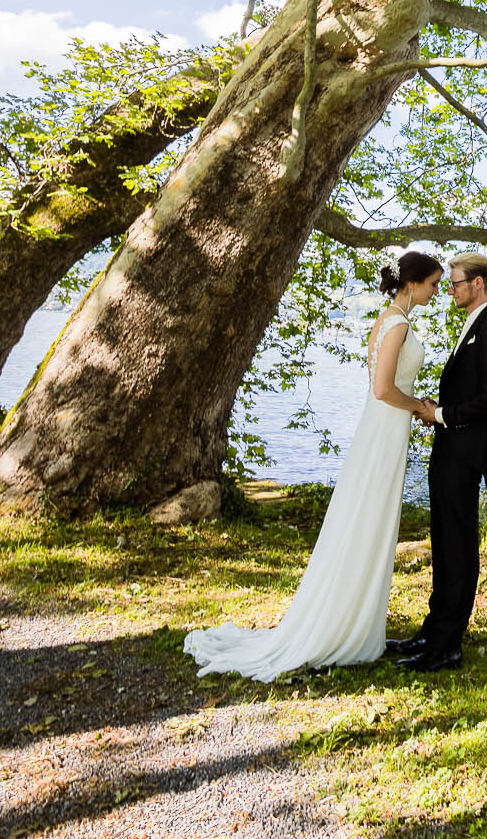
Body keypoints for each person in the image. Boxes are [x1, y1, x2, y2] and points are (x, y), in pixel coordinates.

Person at [181, 250, 443, 681]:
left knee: (367, 519)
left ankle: (357, 617)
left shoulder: (387, 319)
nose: (435, 292)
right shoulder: (397, 323)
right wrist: (418, 405)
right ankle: (345, 625)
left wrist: (411, 406)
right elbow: (382, 389)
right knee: (368, 519)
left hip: (384, 430)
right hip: (384, 429)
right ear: (412, 283)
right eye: (433, 283)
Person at [386, 251, 487, 672]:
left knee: (458, 548)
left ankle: (447, 647)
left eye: (455, 282)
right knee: (444, 542)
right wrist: (439, 409)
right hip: (450, 448)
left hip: (465, 453)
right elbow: (467, 394)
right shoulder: (473, 325)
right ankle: (432, 631)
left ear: (477, 284)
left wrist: (438, 414)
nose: (450, 290)